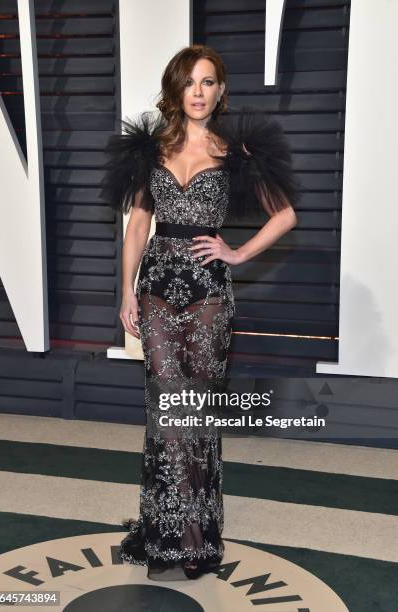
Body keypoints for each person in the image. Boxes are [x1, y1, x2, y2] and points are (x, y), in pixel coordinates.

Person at [100, 44, 300, 581]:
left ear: (220, 91)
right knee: (168, 412)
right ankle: (171, 536)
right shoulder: (150, 150)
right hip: (158, 290)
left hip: (210, 294)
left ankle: (194, 535)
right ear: (175, 89)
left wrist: (235, 252)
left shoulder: (236, 151)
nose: (199, 92)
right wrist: (125, 291)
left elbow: (285, 215)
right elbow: (138, 226)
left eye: (208, 82)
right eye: (190, 82)